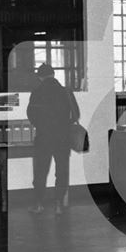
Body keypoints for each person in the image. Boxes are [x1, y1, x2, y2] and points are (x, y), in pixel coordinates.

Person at [26, 63, 80, 215]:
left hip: (44, 137)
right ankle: (58, 205)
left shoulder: (37, 92)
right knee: (62, 170)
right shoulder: (66, 91)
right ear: (53, 74)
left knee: (40, 171)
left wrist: (42, 126)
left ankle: (38, 204)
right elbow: (75, 113)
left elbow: (31, 114)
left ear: (40, 76)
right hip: (63, 137)